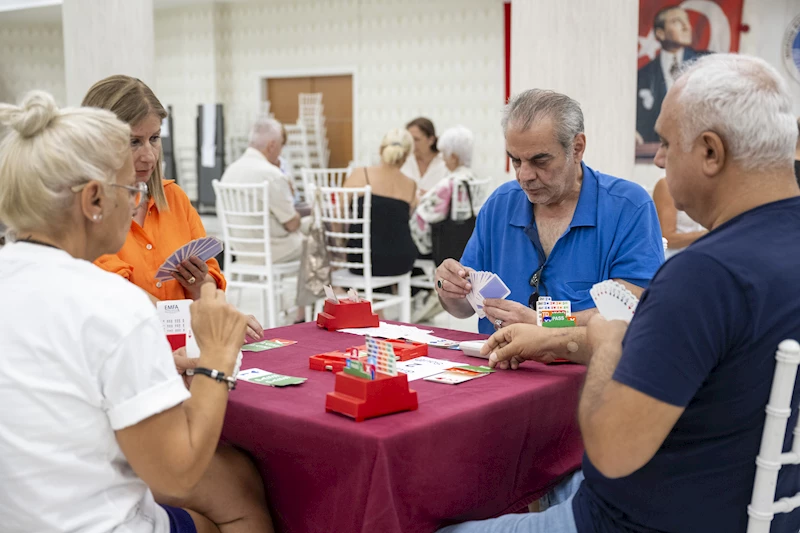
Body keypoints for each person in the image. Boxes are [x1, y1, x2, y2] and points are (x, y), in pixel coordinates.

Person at [442, 54, 800, 533]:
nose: (658, 158)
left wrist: (605, 336)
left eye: (667, 143)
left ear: (711, 153)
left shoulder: (696, 270)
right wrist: (458, 292)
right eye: (516, 161)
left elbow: (611, 448)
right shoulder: (500, 204)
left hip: (639, 514)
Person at [0, 91, 273, 533]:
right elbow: (176, 471)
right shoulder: (112, 304)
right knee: (240, 498)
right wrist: (218, 357)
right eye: (129, 191)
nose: (136, 204)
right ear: (93, 200)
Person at [435, 89, 664, 335]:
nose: (524, 176)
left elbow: (630, 312)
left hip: (586, 369)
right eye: (516, 161)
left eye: (540, 161)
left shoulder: (627, 207)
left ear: (577, 148)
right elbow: (462, 309)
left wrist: (543, 322)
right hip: (500, 367)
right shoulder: (499, 205)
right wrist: (449, 288)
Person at [84, 76, 227, 303]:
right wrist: (194, 317)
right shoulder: (85, 215)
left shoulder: (174, 198)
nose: (149, 156)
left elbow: (210, 285)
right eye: (134, 142)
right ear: (98, 142)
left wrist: (200, 285)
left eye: (154, 138)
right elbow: (117, 295)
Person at [220, 116, 307, 265]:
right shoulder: (271, 174)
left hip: (240, 250)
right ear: (272, 146)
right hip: (273, 251)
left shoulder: (229, 172)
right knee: (317, 233)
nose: (280, 153)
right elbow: (291, 224)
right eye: (281, 146)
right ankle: (331, 287)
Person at [344, 128, 418, 277]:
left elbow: (338, 212)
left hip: (361, 260)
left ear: (380, 150)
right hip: (401, 261)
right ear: (406, 156)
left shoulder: (360, 174)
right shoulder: (411, 185)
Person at [636, 5, 710, 144]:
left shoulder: (707, 64)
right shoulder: (643, 75)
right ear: (660, 33)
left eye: (686, 21)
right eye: (677, 21)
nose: (686, 27)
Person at [410, 125, 479, 256]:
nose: (441, 157)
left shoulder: (450, 183)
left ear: (453, 157)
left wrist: (420, 199)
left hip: (441, 247)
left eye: (443, 153)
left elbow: (421, 218)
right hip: (465, 242)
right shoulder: (471, 177)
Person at [652, 176, 706, 257]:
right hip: (676, 258)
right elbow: (666, 238)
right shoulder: (667, 185)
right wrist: (709, 234)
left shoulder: (709, 185)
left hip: (702, 256)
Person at [401, 117, 448, 192]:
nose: (412, 144)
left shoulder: (446, 163)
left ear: (431, 140)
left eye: (416, 140)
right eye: (409, 139)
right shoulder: (403, 161)